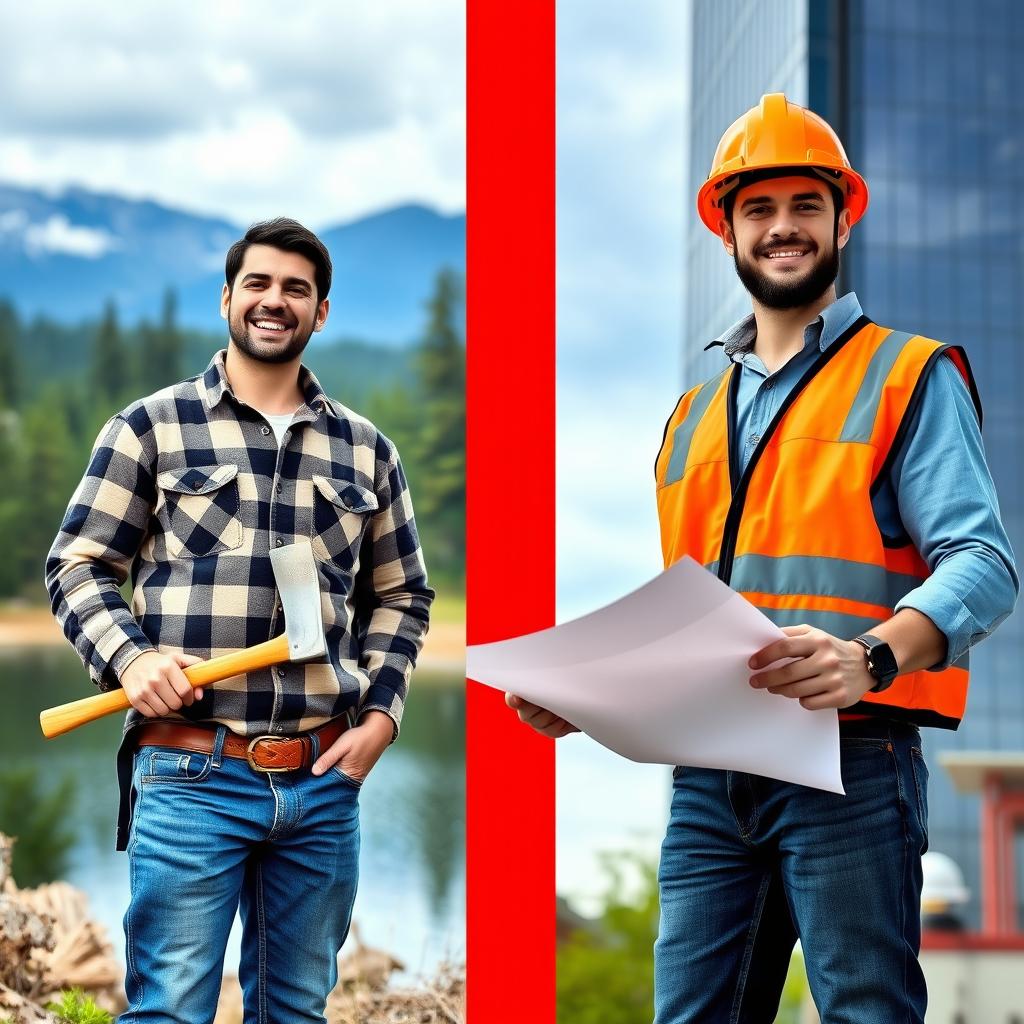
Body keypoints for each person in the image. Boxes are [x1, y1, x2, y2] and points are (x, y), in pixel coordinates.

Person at [508, 94, 1017, 1022]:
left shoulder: (907, 374)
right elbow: (696, 613)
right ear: (727, 229)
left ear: (841, 219)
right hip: (709, 774)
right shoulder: (690, 417)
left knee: (865, 1010)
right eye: (759, 209)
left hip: (852, 761)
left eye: (804, 207)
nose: (783, 228)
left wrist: (869, 658)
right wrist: (597, 694)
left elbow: (986, 564)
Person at [46, 217, 433, 1022]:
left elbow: (401, 597)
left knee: (295, 1014)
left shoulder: (368, 453)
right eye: (257, 283)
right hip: (192, 773)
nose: (274, 301)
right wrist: (131, 660)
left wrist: (383, 718)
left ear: (320, 312)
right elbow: (78, 566)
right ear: (227, 298)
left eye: (296, 288)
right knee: (171, 1011)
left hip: (324, 779)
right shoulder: (150, 427)